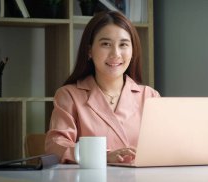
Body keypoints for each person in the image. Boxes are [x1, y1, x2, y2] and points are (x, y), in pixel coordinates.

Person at [45, 10, 160, 164]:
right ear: (89, 51)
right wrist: (100, 156)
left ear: (133, 51)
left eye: (123, 45)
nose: (116, 53)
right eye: (106, 44)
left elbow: (164, 145)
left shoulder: (150, 96)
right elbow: (56, 145)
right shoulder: (69, 95)